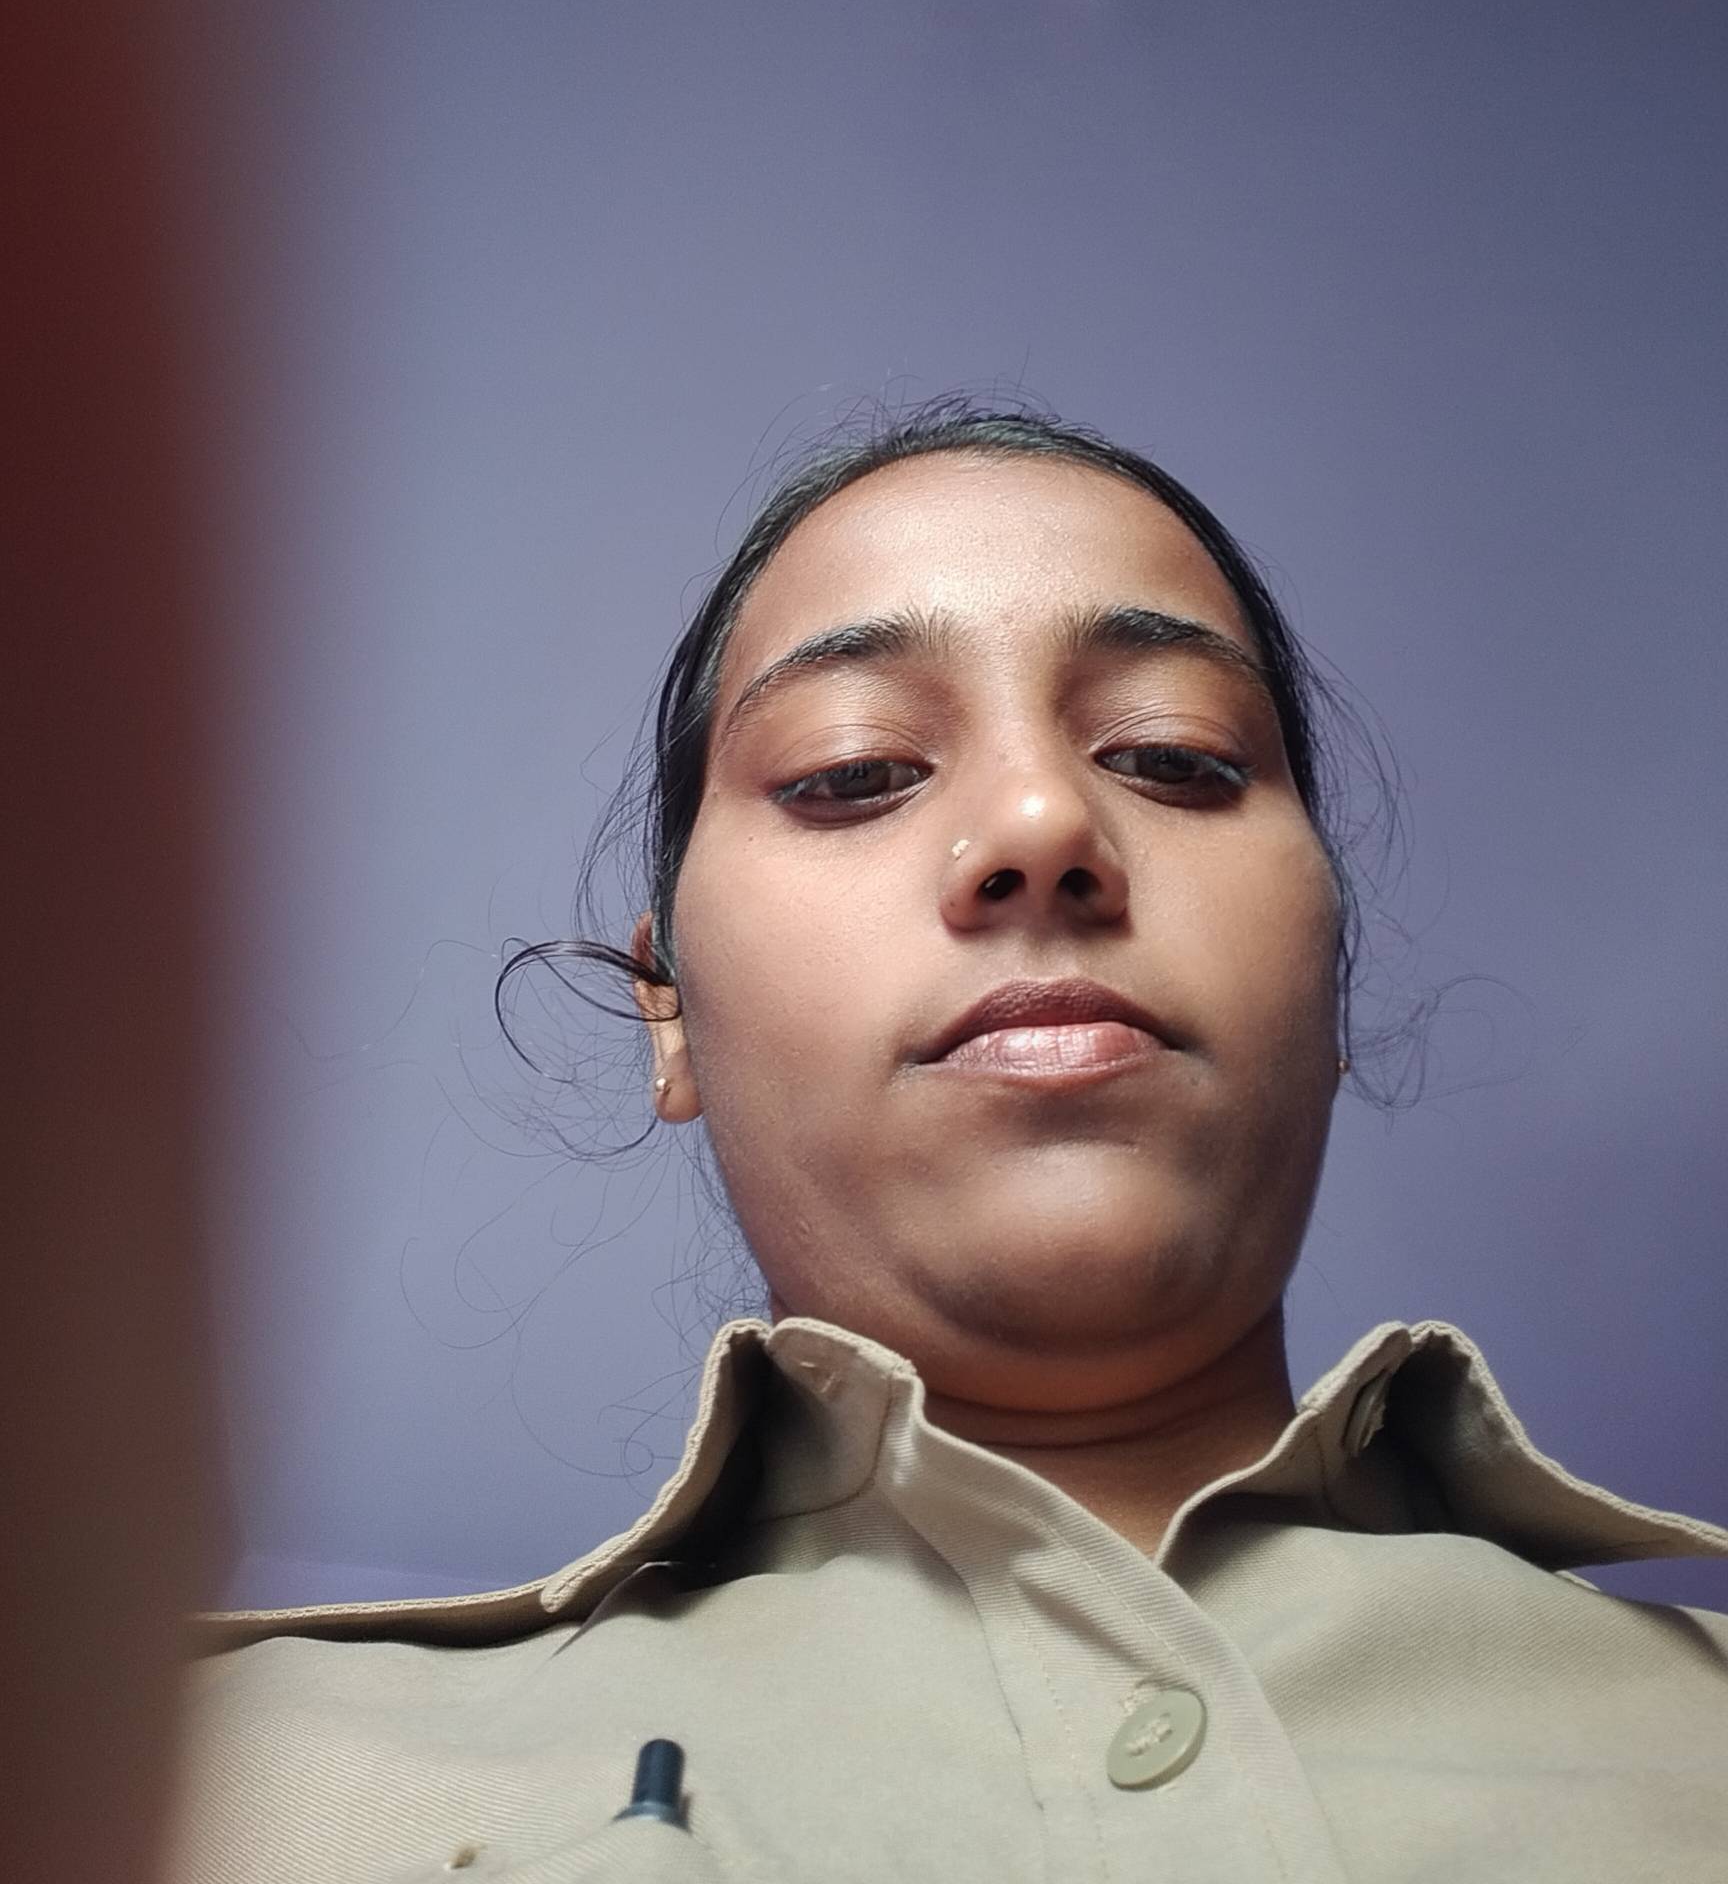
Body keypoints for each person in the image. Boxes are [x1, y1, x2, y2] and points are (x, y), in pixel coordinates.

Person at [170, 402, 1728, 1882]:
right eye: (854, 771)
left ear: (1333, 979)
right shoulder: (187, 1788)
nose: (1044, 824)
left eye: (1176, 753)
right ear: (670, 1015)